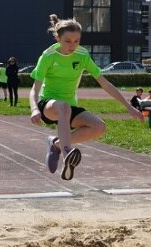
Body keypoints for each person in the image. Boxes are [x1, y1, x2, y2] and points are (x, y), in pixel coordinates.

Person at [30, 14, 143, 180]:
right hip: (48, 105)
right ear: (57, 38)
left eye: (77, 41)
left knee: (99, 127)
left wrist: (129, 107)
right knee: (63, 107)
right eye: (68, 41)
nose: (72, 45)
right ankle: (67, 152)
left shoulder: (82, 55)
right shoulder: (48, 56)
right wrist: (34, 109)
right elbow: (35, 88)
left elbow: (105, 83)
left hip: (69, 107)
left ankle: (57, 144)